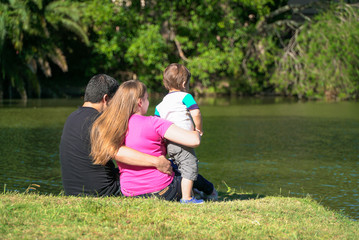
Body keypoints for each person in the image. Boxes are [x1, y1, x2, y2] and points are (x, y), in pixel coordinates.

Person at [90, 80, 216, 203]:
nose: (148, 102)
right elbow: (193, 141)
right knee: (187, 168)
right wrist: (197, 130)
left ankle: (200, 192)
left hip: (130, 192)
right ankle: (210, 192)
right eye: (147, 98)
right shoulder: (154, 123)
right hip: (163, 190)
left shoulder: (115, 127)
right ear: (140, 102)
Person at [59, 74, 172, 197]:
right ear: (106, 99)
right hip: (103, 191)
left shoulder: (72, 117)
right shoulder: (98, 121)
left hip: (73, 191)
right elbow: (116, 151)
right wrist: (156, 161)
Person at [154, 63, 216, 202]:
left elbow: (157, 125)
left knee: (180, 168)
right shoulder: (185, 97)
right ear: (183, 83)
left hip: (169, 143)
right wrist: (198, 128)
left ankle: (190, 191)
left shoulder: (160, 105)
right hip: (184, 141)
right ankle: (187, 198)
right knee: (189, 166)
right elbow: (196, 113)